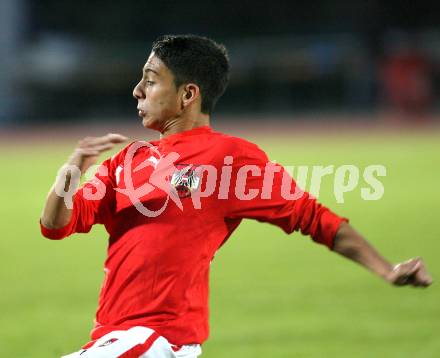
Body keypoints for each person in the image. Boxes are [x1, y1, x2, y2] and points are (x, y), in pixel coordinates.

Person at [40, 35, 432, 358]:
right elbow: (55, 226)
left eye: (151, 79)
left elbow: (314, 218)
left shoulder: (229, 159)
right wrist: (73, 168)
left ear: (188, 93)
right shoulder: (127, 160)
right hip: (115, 336)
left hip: (158, 339)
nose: (137, 90)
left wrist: (386, 269)